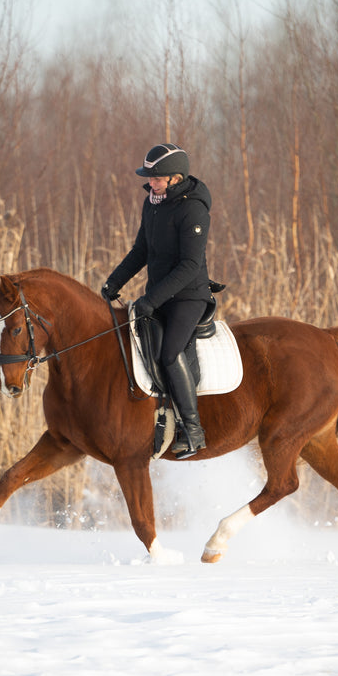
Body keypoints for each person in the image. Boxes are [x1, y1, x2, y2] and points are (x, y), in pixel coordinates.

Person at [101, 143, 212, 458]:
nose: (151, 183)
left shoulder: (193, 209)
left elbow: (190, 266)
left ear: (175, 178)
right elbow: (141, 250)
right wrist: (114, 282)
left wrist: (151, 299)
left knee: (168, 353)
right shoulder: (152, 204)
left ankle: (193, 429)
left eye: (157, 179)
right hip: (161, 295)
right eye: (150, 178)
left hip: (189, 297)